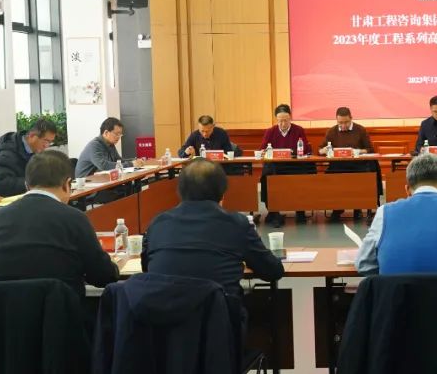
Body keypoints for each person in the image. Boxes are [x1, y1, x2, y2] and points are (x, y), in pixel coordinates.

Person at [0, 150, 120, 297]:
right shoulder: (74, 218)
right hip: (58, 309)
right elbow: (103, 276)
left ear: (27, 185)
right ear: (67, 184)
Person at [141, 159, 284, 297]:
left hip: (164, 311)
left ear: (179, 191)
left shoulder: (157, 224)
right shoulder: (236, 224)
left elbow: (147, 268)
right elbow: (273, 271)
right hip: (218, 312)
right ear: (222, 192)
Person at [318, 107, 378, 222]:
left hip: (357, 165)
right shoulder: (332, 131)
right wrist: (323, 150)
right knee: (331, 177)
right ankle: (337, 209)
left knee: (361, 177)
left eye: (346, 122)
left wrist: (358, 151)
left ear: (351, 118)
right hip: (337, 166)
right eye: (340, 123)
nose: (343, 125)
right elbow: (320, 149)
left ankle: (357, 208)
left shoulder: (360, 130)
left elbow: (370, 149)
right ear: (336, 120)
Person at [260, 104, 314, 227]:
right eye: (280, 121)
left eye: (286, 120)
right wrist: (268, 152)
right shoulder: (270, 131)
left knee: (303, 176)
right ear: (276, 119)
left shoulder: (298, 130)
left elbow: (306, 149)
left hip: (294, 165)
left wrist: (293, 152)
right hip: (275, 166)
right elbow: (262, 149)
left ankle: (300, 211)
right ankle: (274, 212)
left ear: (290, 118)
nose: (283, 123)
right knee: (267, 177)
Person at [0, 118, 58, 197]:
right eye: (46, 141)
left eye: (50, 142)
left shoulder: (36, 152)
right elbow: (0, 185)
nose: (46, 146)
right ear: (32, 136)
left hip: (28, 197)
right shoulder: (7, 154)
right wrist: (33, 182)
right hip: (6, 201)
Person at [75, 117, 144, 178]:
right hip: (86, 183)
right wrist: (131, 164)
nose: (119, 137)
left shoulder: (110, 144)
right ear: (106, 133)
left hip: (101, 179)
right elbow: (103, 165)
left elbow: (118, 160)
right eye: (116, 134)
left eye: (120, 134)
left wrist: (135, 160)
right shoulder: (94, 145)